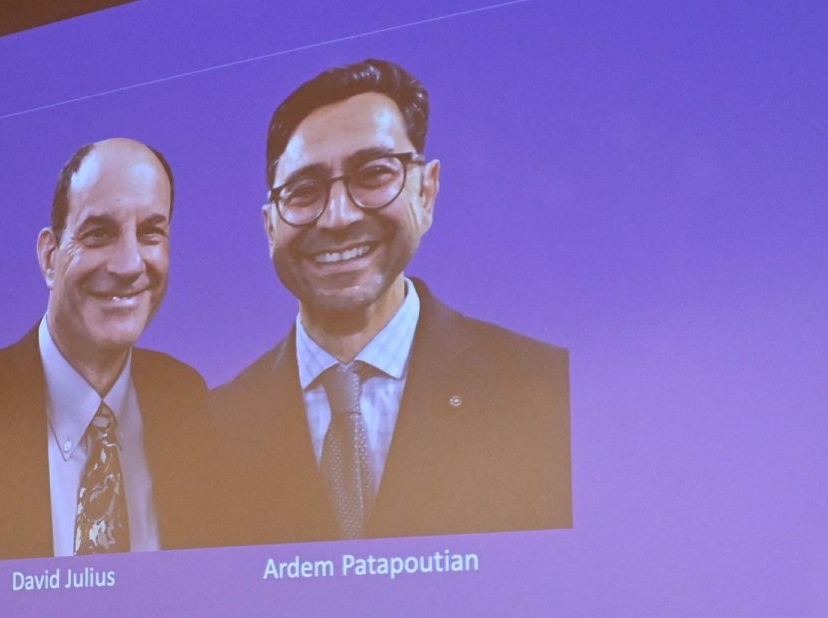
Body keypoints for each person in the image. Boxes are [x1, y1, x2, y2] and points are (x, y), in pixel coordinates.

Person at [209, 58, 571, 545]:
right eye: (303, 190)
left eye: (374, 174)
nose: (337, 217)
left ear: (427, 190)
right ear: (270, 224)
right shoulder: (210, 430)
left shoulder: (546, 390)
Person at [0, 138, 210, 562]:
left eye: (150, 233)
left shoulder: (188, 399)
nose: (129, 264)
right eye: (99, 233)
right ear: (50, 257)